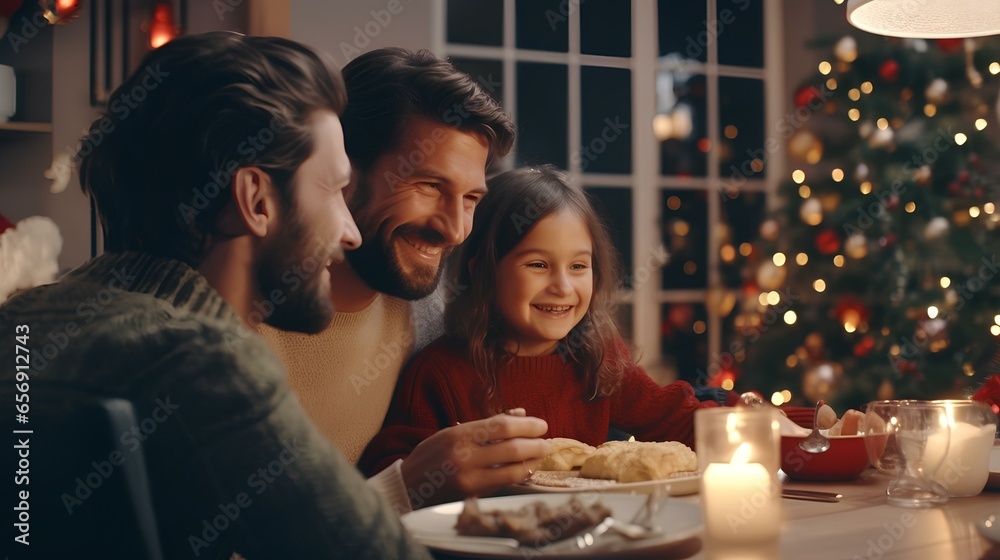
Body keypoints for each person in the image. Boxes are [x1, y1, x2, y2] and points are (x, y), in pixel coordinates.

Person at [0, 32, 434, 558]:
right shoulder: (203, 359)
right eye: (333, 191)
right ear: (255, 199)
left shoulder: (20, 317)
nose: (350, 233)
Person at [258, 48, 550, 510]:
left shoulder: (430, 328)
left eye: (471, 197)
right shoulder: (235, 327)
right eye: (429, 187)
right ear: (343, 173)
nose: (455, 228)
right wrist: (405, 488)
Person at [359, 167, 738, 475]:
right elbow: (390, 474)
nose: (562, 287)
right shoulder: (441, 372)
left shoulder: (597, 357)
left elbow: (673, 418)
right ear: (482, 274)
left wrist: (772, 425)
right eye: (538, 265)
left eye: (577, 266)